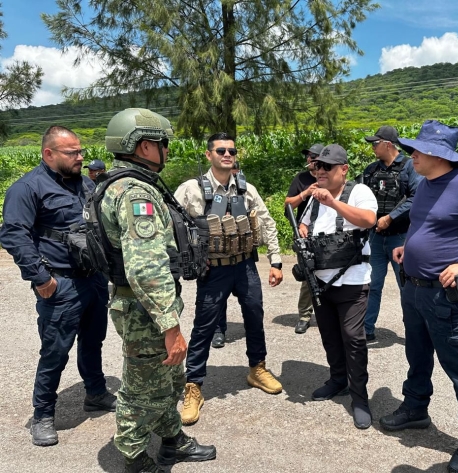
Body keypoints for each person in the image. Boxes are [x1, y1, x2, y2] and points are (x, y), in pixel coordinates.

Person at [91, 108, 215, 472]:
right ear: (145, 146)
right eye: (163, 143)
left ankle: (172, 439)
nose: (166, 149)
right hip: (144, 309)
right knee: (141, 388)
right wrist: (170, 327)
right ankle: (133, 457)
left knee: (169, 378)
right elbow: (145, 267)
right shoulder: (133, 193)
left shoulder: (124, 183)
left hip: (146, 307)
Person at [380, 120, 458, 473]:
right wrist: (407, 246)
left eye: (417, 150)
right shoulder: (426, 182)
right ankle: (415, 408)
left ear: (438, 154)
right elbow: (423, 223)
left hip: (444, 295)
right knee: (416, 354)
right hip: (413, 287)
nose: (411, 154)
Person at [0, 126, 115, 447]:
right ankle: (43, 414)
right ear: (49, 153)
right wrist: (41, 279)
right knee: (55, 351)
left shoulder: (86, 183)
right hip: (60, 285)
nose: (80, 157)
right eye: (72, 153)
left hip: (93, 279)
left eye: (80, 152)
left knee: (94, 342)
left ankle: (95, 393)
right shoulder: (27, 188)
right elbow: (13, 234)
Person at [175, 132, 284, 426]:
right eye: (221, 150)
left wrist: (275, 260)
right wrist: (183, 262)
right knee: (205, 324)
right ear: (209, 154)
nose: (227, 154)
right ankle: (193, 385)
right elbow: (172, 225)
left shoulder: (246, 190)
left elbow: (267, 221)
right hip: (213, 270)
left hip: (245, 265)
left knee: (254, 315)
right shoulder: (191, 189)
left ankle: (257, 368)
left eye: (231, 151)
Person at [298, 144, 377, 429]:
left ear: (343, 169)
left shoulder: (359, 192)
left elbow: (369, 220)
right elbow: (304, 224)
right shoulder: (314, 198)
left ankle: (360, 398)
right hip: (320, 280)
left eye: (326, 167)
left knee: (353, 339)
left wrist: (333, 202)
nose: (320, 171)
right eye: (317, 166)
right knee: (330, 335)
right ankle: (337, 380)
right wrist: (305, 232)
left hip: (352, 280)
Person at [362, 126, 420, 341]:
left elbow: (416, 197)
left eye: (375, 143)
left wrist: (390, 217)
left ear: (387, 144)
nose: (373, 147)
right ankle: (366, 330)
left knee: (407, 288)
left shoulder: (410, 167)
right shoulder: (370, 170)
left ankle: (414, 332)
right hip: (375, 238)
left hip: (402, 237)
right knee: (371, 285)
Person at [284, 143, 323, 334]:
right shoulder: (301, 178)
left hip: (327, 231)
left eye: (314, 156)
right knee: (308, 274)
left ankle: (327, 313)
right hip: (304, 232)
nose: (310, 160)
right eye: (308, 156)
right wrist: (305, 193)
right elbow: (288, 205)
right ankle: (304, 316)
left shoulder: (329, 175)